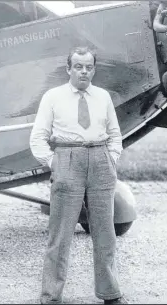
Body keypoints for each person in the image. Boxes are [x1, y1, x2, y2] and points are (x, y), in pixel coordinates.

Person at [30, 46, 127, 304]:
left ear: (93, 69)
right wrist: (55, 163)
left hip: (100, 160)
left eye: (88, 67)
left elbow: (115, 133)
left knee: (105, 233)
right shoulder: (53, 97)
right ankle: (50, 296)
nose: (84, 71)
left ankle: (110, 293)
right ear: (69, 69)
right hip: (67, 158)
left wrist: (111, 158)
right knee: (60, 234)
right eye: (78, 66)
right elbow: (38, 137)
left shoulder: (103, 97)